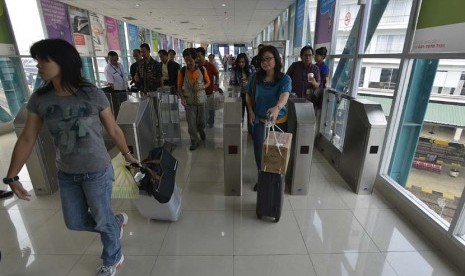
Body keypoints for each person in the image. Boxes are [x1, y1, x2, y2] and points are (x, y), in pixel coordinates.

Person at [4, 39, 139, 276]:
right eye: (37, 61)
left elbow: (113, 129)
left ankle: (113, 256)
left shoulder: (92, 93)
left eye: (43, 60)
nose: (38, 66)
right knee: (75, 222)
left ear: (63, 61)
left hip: (97, 170)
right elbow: (27, 138)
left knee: (100, 218)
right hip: (66, 173)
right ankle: (113, 222)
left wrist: (127, 154)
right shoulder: (40, 99)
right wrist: (12, 176)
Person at [246, 45, 291, 191]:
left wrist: (277, 107)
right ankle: (262, 178)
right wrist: (251, 112)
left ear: (276, 59)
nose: (265, 62)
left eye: (268, 59)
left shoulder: (284, 79)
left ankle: (276, 180)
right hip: (260, 122)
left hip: (278, 124)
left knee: (275, 154)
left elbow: (285, 96)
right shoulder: (255, 78)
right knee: (260, 154)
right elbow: (248, 95)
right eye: (262, 60)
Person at [177, 48, 210, 151]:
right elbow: (179, 86)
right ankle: (194, 141)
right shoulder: (182, 71)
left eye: (190, 59)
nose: (188, 62)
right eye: (186, 60)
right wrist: (182, 98)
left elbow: (208, 82)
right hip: (189, 102)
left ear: (195, 59)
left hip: (201, 101)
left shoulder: (202, 69)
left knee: (202, 122)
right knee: (191, 124)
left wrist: (202, 87)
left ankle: (201, 131)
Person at [196, 47, 219, 128]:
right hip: (199, 93)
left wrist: (216, 84)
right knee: (202, 110)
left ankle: (211, 122)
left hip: (209, 91)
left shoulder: (210, 65)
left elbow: (216, 74)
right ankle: (203, 123)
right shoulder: (195, 66)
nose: (197, 58)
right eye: (196, 56)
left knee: (211, 108)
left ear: (203, 55)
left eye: (199, 56)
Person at [232, 53, 255, 133]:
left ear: (246, 62)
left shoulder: (251, 68)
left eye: (243, 62)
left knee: (250, 112)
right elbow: (232, 83)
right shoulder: (235, 70)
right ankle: (238, 131)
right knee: (239, 114)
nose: (241, 64)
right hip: (240, 95)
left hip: (250, 94)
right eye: (239, 62)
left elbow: (255, 81)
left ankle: (251, 131)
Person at [104, 51, 128, 117]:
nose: (113, 62)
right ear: (108, 59)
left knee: (125, 107)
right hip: (116, 92)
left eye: (115, 60)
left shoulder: (120, 65)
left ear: (117, 58)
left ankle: (125, 119)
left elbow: (123, 76)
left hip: (124, 90)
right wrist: (115, 95)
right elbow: (110, 83)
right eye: (111, 60)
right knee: (118, 108)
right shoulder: (107, 69)